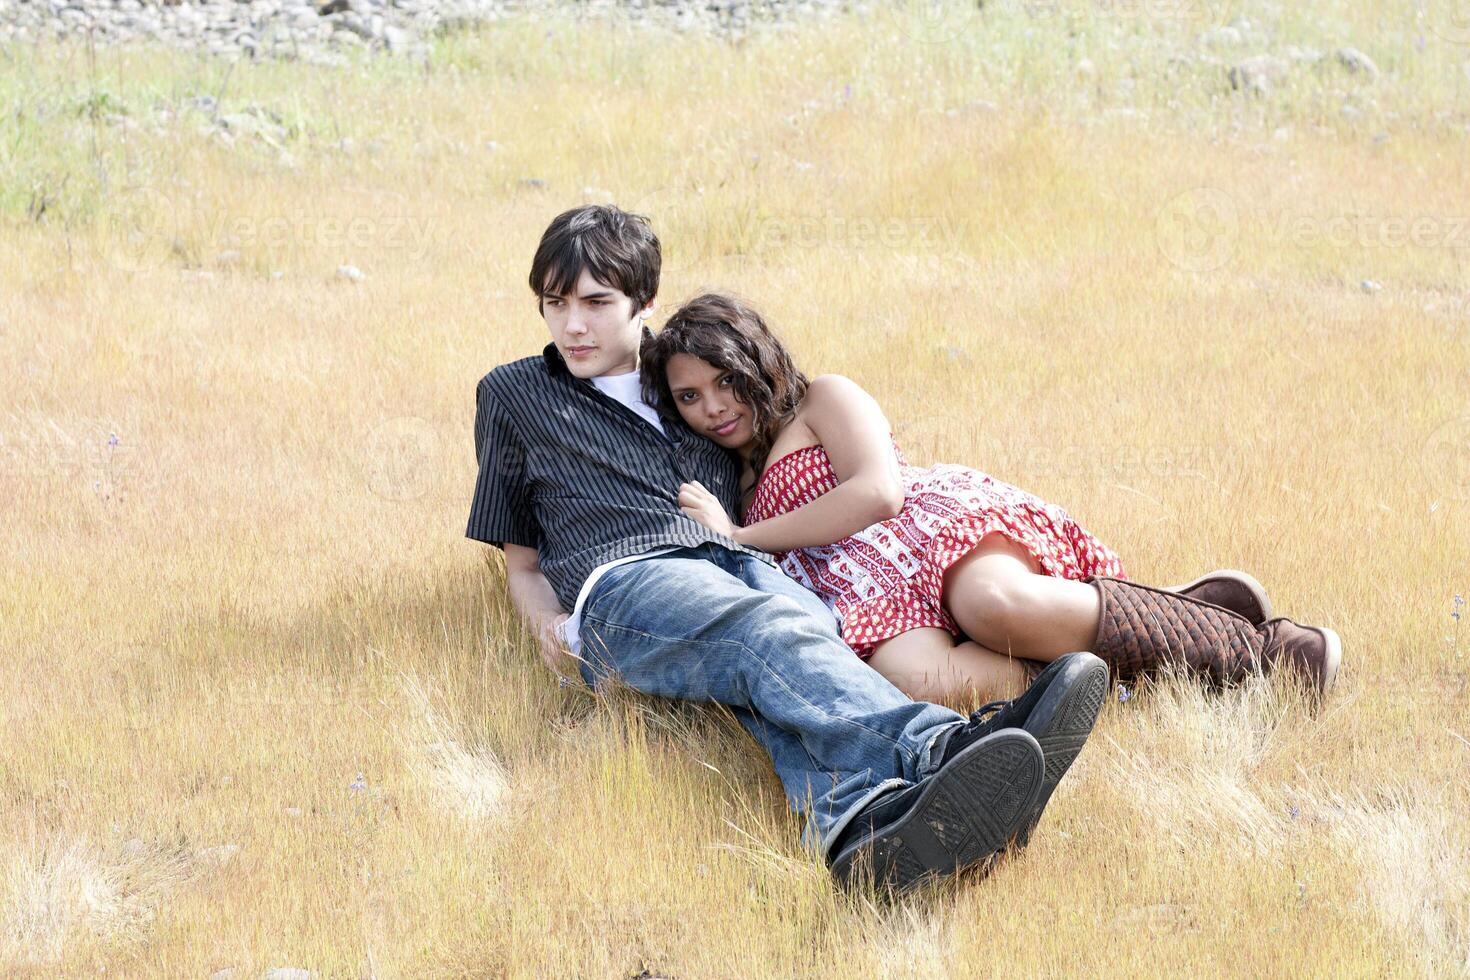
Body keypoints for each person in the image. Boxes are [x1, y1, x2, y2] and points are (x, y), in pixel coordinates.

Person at [466, 204, 1110, 893]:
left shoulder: (694, 379)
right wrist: (543, 626)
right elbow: (523, 557)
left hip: (742, 568)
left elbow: (795, 430)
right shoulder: (514, 393)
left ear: (645, 300)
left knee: (792, 656)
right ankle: (943, 745)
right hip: (625, 580)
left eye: (595, 302)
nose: (572, 325)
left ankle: (862, 834)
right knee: (763, 632)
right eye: (554, 303)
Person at [642, 293, 1343, 705]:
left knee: (992, 607)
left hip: (929, 534)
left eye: (724, 380)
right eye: (690, 397)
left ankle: (1264, 651)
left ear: (755, 358)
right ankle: (1155, 649)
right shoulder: (729, 481)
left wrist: (740, 536)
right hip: (869, 599)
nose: (714, 406)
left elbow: (878, 493)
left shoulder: (823, 398)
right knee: (923, 679)